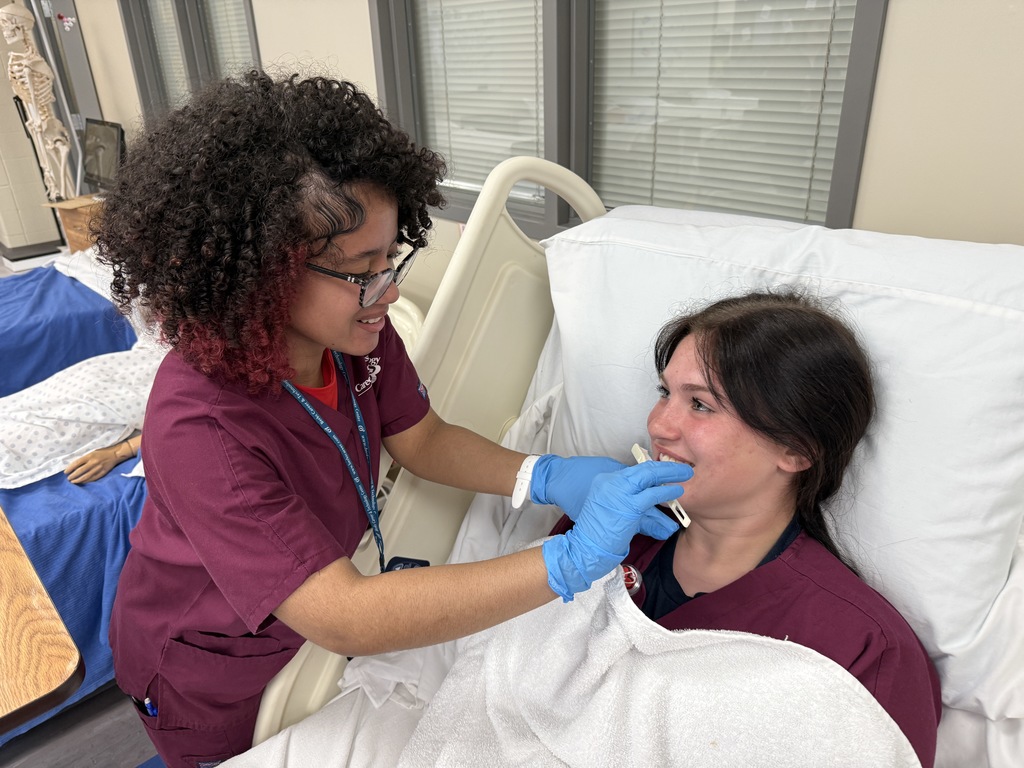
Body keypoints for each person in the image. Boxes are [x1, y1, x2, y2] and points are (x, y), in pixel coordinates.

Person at [92, 70, 693, 768]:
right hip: (208, 666)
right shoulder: (202, 426)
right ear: (265, 276)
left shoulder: (353, 337)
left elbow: (421, 437)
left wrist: (544, 474)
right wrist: (564, 562)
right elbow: (345, 612)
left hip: (308, 627)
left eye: (391, 257)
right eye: (360, 270)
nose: (389, 289)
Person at [551, 290, 942, 767]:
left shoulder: (864, 649)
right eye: (664, 393)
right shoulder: (599, 533)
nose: (659, 425)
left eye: (700, 405)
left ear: (796, 450)